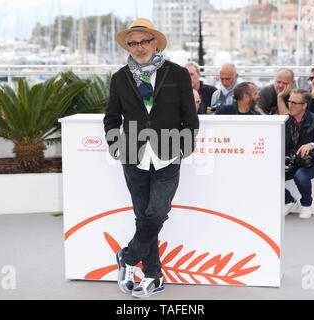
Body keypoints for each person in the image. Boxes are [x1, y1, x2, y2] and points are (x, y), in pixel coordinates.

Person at [103, 18, 199, 298]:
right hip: (133, 156)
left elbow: (189, 117)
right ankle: (154, 276)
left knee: (157, 213)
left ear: (155, 42)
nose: (139, 47)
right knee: (143, 217)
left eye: (144, 41)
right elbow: (111, 118)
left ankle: (128, 258)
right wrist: (115, 145)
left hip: (169, 154)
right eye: (133, 43)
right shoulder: (120, 78)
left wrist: (186, 144)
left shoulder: (178, 74)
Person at [284, 88, 314, 219]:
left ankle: (306, 205)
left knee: (301, 176)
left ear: (304, 105)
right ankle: (289, 201)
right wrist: (280, 161)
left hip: (310, 164)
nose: (290, 105)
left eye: (294, 103)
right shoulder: (285, 121)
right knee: (268, 173)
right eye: (289, 101)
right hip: (290, 162)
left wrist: (313, 145)